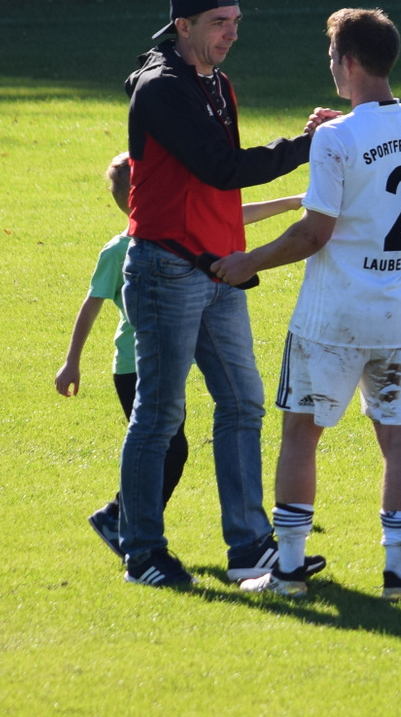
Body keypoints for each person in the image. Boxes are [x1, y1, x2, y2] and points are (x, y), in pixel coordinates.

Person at [213, 7, 401, 599]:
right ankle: (398, 575)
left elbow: (313, 233)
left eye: (331, 60)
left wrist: (249, 261)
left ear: (347, 63)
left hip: (332, 317)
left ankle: (288, 570)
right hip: (397, 315)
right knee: (398, 442)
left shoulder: (335, 138)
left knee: (301, 434)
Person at [118, 0, 328, 587]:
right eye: (219, 23)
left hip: (218, 266)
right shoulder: (162, 88)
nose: (231, 34)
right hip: (166, 267)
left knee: (242, 402)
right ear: (182, 26)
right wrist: (306, 146)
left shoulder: (216, 82)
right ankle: (142, 552)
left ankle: (249, 547)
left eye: (235, 22)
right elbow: (221, 168)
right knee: (159, 414)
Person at [55, 153, 307, 560]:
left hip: (163, 359)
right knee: (168, 447)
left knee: (173, 448)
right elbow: (92, 304)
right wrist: (72, 361)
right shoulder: (121, 250)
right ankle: (123, 522)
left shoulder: (183, 232)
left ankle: (122, 520)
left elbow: (235, 216)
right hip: (133, 366)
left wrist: (292, 202)